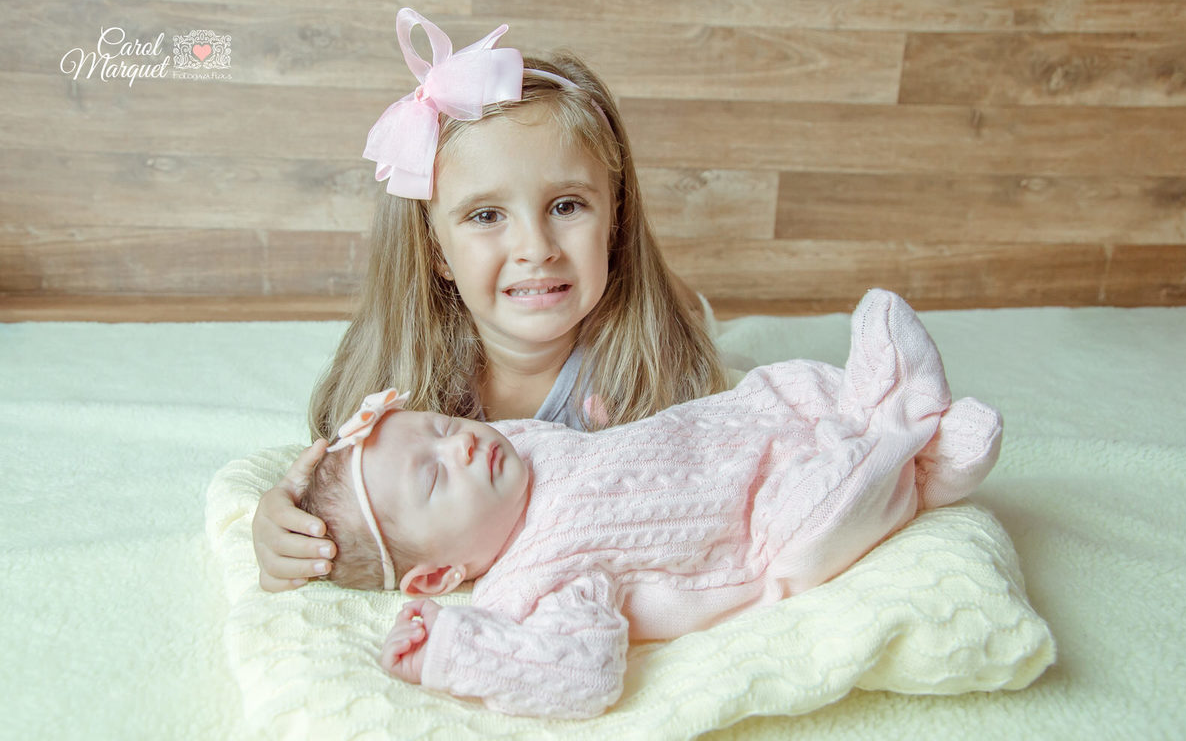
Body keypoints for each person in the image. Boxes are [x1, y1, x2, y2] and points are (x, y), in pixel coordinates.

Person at [298, 290, 1003, 718]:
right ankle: (906, 440)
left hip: (730, 441)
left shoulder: (514, 447)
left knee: (771, 392)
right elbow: (581, 673)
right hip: (757, 532)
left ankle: (888, 429)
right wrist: (454, 650)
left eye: (445, 428)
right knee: (818, 520)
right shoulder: (529, 580)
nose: (460, 449)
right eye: (434, 481)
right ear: (437, 578)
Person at [253, 8, 728, 591]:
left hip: (659, 325)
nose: (536, 248)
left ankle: (685, 299)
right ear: (436, 253)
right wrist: (285, 521)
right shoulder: (400, 387)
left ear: (615, 215)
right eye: (486, 215)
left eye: (567, 205)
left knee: (681, 313)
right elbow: (342, 494)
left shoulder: (658, 373)